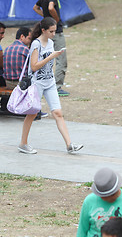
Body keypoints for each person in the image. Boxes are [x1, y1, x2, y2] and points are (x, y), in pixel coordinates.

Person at [18, 17, 83, 154]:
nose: (54, 34)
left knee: (58, 113)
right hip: (37, 83)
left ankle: (69, 144)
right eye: (51, 31)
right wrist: (51, 56)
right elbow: (34, 66)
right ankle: (23, 143)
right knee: (32, 113)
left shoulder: (51, 43)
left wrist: (52, 56)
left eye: (54, 31)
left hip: (50, 82)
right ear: (43, 30)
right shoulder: (36, 44)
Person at [77, 168, 122, 237]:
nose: (105, 199)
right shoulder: (89, 201)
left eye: (108, 196)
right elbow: (82, 230)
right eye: (102, 196)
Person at [2, 27, 48, 119]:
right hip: (20, 85)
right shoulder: (25, 50)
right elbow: (33, 69)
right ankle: (35, 111)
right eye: (29, 38)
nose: (30, 41)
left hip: (8, 83)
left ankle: (3, 106)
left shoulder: (7, 48)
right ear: (22, 36)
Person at [33, 0, 69, 97]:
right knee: (61, 60)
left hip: (47, 33)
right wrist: (56, 20)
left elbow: (35, 8)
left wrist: (46, 19)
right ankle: (57, 87)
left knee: (44, 59)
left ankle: (42, 85)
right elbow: (50, 8)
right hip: (56, 33)